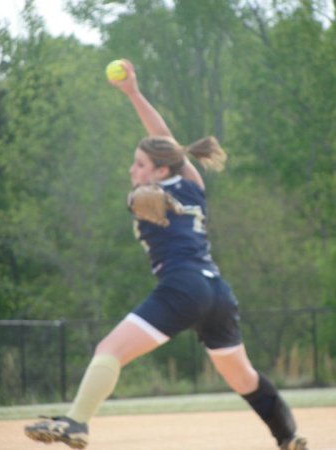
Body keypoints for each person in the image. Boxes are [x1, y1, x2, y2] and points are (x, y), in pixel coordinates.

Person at [24, 60, 308, 450]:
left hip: (184, 285)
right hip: (217, 292)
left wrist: (135, 98)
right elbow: (165, 138)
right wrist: (133, 93)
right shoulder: (191, 182)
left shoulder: (149, 194)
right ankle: (288, 437)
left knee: (108, 350)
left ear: (160, 171)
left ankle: (76, 423)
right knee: (244, 379)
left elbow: (159, 153)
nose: (132, 170)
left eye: (140, 165)